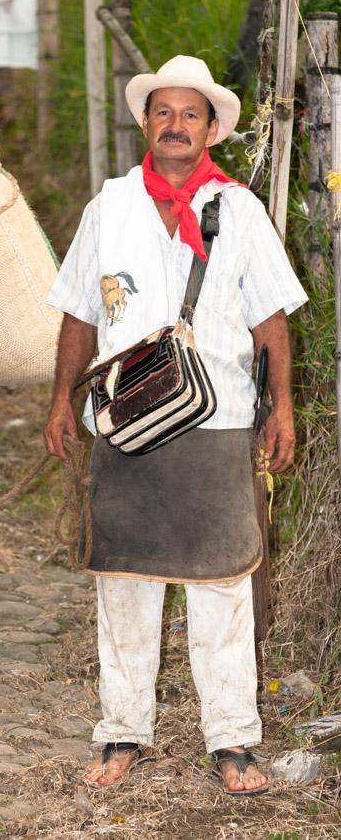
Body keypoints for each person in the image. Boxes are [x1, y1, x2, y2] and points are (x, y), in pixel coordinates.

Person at [43, 55, 308, 796]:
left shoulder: (240, 211)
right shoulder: (110, 207)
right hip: (122, 424)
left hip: (219, 419)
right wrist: (62, 399)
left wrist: (280, 406)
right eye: (164, 112)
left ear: (212, 127)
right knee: (123, 584)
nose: (176, 125)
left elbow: (270, 319)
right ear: (147, 123)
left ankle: (233, 742)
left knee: (222, 585)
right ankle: (121, 731)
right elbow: (78, 311)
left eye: (191, 114)